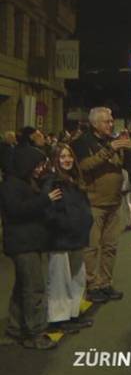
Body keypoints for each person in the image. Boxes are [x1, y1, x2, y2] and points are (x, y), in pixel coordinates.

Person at [2, 146, 62, 349]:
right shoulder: (11, 185)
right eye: (37, 165)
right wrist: (45, 199)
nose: (39, 169)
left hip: (30, 242)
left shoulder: (26, 181)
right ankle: (35, 334)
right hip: (23, 244)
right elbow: (17, 210)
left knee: (22, 289)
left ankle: (15, 330)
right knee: (34, 289)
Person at [73, 107, 131, 304]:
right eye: (107, 121)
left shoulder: (111, 141)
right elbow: (85, 166)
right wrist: (109, 150)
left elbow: (125, 167)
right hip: (94, 203)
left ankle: (106, 283)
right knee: (91, 248)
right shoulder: (82, 142)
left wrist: (129, 150)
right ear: (95, 124)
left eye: (111, 120)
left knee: (110, 247)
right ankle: (93, 285)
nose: (111, 124)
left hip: (114, 203)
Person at [43, 144, 94, 334]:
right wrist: (63, 226)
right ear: (55, 160)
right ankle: (57, 318)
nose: (67, 160)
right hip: (61, 238)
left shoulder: (74, 180)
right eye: (62, 156)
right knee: (59, 280)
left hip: (77, 237)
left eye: (69, 156)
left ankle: (72, 314)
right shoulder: (53, 182)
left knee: (77, 278)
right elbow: (50, 212)